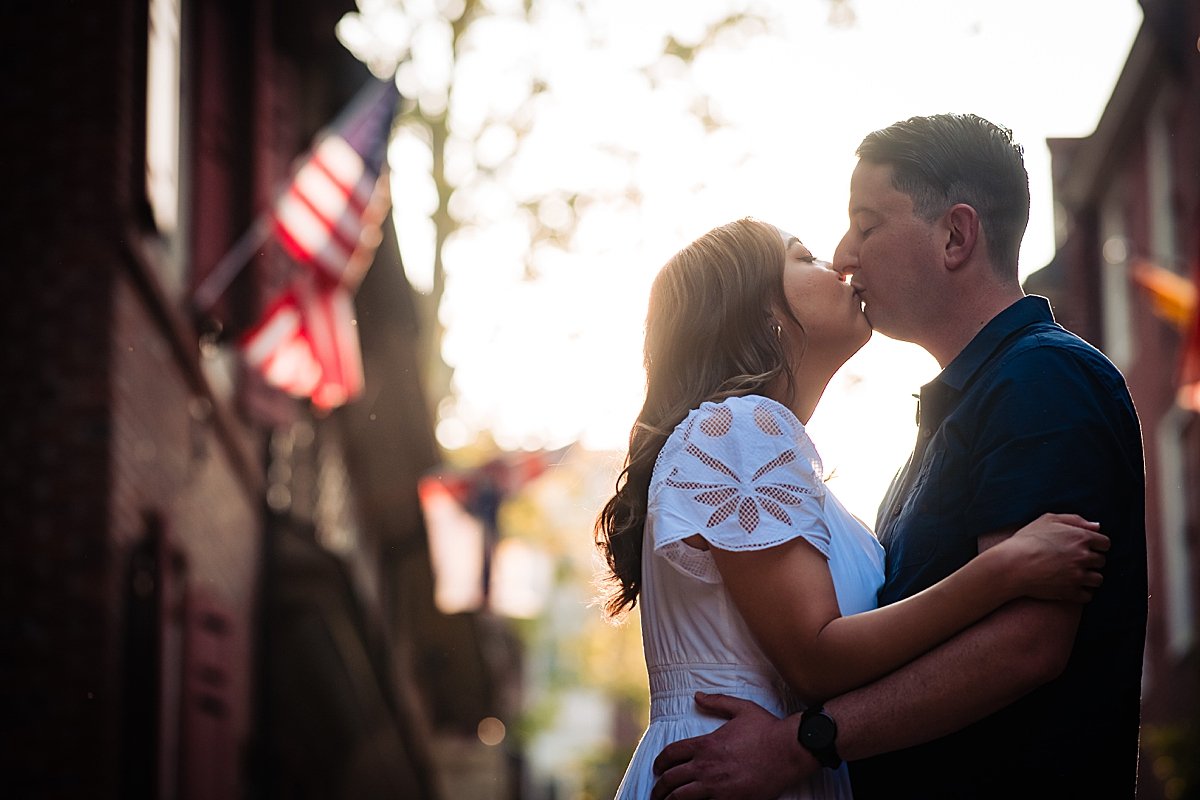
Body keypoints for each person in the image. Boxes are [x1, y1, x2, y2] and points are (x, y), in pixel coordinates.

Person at [648, 114, 1147, 799]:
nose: (844, 253)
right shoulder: (933, 434)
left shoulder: (1041, 380)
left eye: (866, 223)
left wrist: (804, 743)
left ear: (954, 235)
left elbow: (1026, 645)